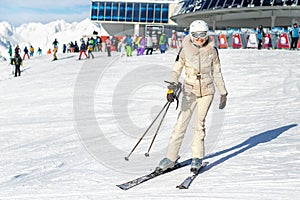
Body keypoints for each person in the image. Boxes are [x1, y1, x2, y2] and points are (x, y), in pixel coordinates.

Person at [156, 20, 228, 173]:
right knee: (181, 124)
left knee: (199, 124)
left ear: (207, 34)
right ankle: (171, 157)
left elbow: (217, 72)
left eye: (202, 35)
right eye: (195, 35)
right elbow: (176, 70)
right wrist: (171, 88)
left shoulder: (212, 50)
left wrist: (223, 92)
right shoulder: (184, 50)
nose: (199, 38)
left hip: (207, 91)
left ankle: (197, 157)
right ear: (191, 35)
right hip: (189, 90)